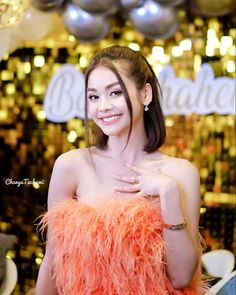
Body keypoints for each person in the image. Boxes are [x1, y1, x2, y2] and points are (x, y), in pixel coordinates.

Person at [35, 45, 206, 295]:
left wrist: (167, 192)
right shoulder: (72, 165)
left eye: (114, 93)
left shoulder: (180, 174)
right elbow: (53, 260)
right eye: (93, 97)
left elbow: (181, 278)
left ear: (145, 94)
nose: (102, 106)